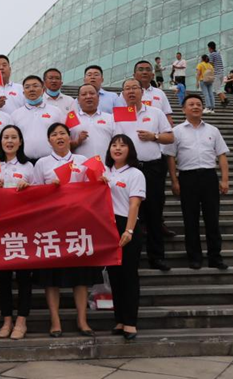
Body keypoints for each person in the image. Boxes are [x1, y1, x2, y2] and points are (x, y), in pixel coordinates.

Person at [31, 123, 98, 337]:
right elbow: (35, 193)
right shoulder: (42, 163)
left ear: (70, 138)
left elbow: (93, 187)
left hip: (78, 224)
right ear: (49, 140)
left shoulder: (82, 160)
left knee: (81, 275)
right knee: (51, 276)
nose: (59, 137)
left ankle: (82, 320)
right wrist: (50, 189)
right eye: (54, 134)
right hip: (52, 225)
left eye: (62, 133)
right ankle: (55, 321)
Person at [0, 124, 33, 340]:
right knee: (3, 277)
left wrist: (27, 188)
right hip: (0, 226)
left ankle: (22, 320)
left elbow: (41, 195)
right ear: (0, 142)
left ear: (20, 142)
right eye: (6, 137)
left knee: (24, 277)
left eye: (13, 137)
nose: (9, 141)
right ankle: (7, 319)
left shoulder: (28, 166)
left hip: (22, 226)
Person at [166, 94, 230, 271]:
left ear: (202, 108)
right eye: (191, 104)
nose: (195, 107)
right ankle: (194, 257)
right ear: (183, 109)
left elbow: (222, 155)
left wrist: (225, 180)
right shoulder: (176, 131)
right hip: (187, 178)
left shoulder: (213, 130)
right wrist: (174, 180)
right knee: (190, 219)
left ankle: (215, 257)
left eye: (198, 104)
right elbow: (170, 157)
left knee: (212, 219)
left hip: (209, 177)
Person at [116, 78, 174, 271]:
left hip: (152, 168)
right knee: (129, 214)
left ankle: (156, 256)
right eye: (127, 89)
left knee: (154, 212)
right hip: (128, 170)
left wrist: (153, 136)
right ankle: (132, 256)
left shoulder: (156, 112)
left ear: (142, 92)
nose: (131, 91)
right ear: (123, 94)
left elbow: (170, 137)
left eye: (135, 88)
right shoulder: (118, 115)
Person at [104, 134, 146, 341]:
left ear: (130, 150)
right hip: (107, 226)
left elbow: (134, 204)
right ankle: (119, 319)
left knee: (129, 275)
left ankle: (130, 321)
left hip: (126, 225)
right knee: (114, 276)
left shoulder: (135, 173)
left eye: (122, 145)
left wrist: (128, 231)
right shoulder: (104, 172)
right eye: (114, 145)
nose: (117, 149)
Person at [10, 75, 65, 162]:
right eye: (27, 87)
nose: (31, 89)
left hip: (50, 161)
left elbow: (64, 136)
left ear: (43, 90)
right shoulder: (15, 114)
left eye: (35, 86)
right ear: (23, 93)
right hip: (23, 162)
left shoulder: (56, 111)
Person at [69, 83, 116, 160]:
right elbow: (65, 146)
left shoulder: (110, 118)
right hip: (80, 166)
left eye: (92, 93)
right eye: (84, 94)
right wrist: (78, 141)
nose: (88, 96)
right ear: (78, 100)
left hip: (106, 165)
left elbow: (117, 143)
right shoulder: (71, 119)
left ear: (98, 97)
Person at [208, 41, 228, 109]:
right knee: (218, 88)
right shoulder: (218, 54)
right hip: (221, 73)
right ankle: (225, 99)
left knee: (217, 89)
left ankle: (223, 101)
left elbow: (211, 64)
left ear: (210, 48)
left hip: (216, 73)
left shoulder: (211, 54)